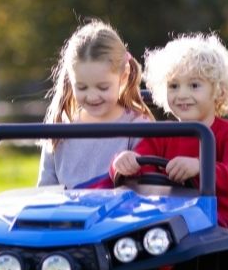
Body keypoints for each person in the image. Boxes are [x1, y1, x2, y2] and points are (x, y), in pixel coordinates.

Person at [111, 33, 228, 248]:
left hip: (225, 225)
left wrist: (201, 168)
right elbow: (141, 166)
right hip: (169, 222)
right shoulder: (161, 135)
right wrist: (125, 162)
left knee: (187, 232)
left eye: (194, 85)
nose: (182, 94)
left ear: (218, 91)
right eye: (173, 86)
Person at [37, 20, 153, 189]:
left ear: (123, 76)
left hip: (119, 214)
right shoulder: (59, 129)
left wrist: (130, 167)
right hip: (68, 214)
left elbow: (149, 189)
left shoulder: (138, 127)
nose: (92, 96)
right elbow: (45, 191)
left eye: (103, 87)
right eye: (82, 87)